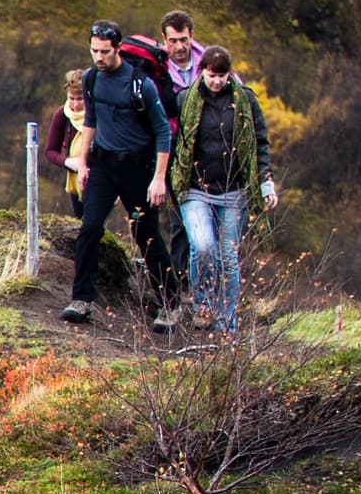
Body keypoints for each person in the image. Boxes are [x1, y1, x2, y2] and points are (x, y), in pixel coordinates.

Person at [64, 20, 175, 327]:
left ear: (117, 49)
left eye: (104, 51)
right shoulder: (91, 79)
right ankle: (82, 299)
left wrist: (158, 178)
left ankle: (169, 302)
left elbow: (162, 130)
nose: (98, 57)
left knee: (146, 234)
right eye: (93, 50)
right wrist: (83, 163)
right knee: (89, 228)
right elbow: (91, 122)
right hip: (103, 164)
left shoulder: (140, 84)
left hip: (137, 167)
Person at [168, 45, 276, 336]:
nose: (216, 81)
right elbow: (169, 139)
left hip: (234, 191)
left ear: (230, 74)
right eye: (211, 75)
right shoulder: (184, 100)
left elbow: (260, 143)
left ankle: (226, 321)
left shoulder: (245, 101)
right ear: (201, 71)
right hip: (195, 188)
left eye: (222, 75)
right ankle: (203, 304)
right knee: (203, 246)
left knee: (228, 257)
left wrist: (266, 184)